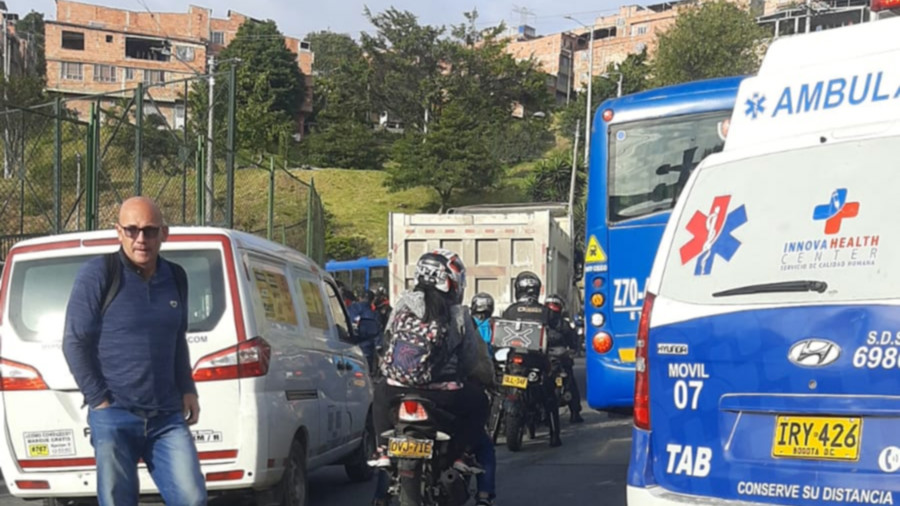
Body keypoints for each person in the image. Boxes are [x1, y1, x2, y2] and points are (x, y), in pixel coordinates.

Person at [62, 196, 206, 506]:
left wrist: (187, 388)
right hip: (114, 413)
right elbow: (74, 342)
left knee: (192, 498)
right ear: (118, 232)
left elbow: (177, 337)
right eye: (132, 230)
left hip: (167, 416)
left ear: (164, 233)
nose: (141, 239)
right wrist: (98, 399)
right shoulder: (99, 274)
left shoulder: (176, 277)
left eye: (150, 230)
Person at [371, 249, 494, 505]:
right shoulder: (458, 314)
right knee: (480, 402)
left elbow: (386, 342)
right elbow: (471, 361)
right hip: (443, 395)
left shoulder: (402, 305)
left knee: (380, 392)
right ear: (453, 281)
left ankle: (382, 451)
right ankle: (462, 455)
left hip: (397, 390)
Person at [501, 271, 562, 447]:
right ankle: (554, 435)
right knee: (550, 395)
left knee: (503, 385)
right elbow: (560, 332)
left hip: (515, 359)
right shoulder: (545, 311)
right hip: (537, 360)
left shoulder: (510, 310)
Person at [545, 294, 584, 424]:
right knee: (570, 382)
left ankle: (575, 411)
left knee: (569, 381)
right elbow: (573, 343)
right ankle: (575, 412)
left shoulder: (543, 322)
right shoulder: (563, 324)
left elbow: (573, 342)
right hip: (549, 357)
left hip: (551, 357)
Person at [347, 289, 383, 372]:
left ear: (359, 298)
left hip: (348, 348)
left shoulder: (348, 309)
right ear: (372, 300)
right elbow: (377, 333)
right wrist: (379, 346)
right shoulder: (374, 314)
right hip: (366, 351)